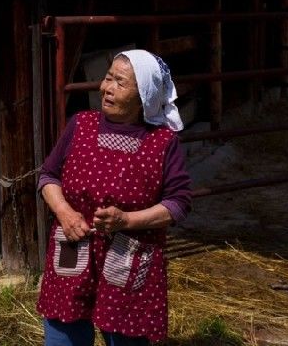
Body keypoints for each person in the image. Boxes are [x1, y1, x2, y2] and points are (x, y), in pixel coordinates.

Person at [36, 49, 192, 345]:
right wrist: (66, 214)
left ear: (143, 95)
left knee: (126, 337)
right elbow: (48, 176)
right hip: (74, 246)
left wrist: (127, 220)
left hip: (128, 255)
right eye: (108, 78)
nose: (106, 88)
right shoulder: (80, 124)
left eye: (119, 82)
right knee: (63, 334)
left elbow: (179, 202)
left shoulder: (162, 143)